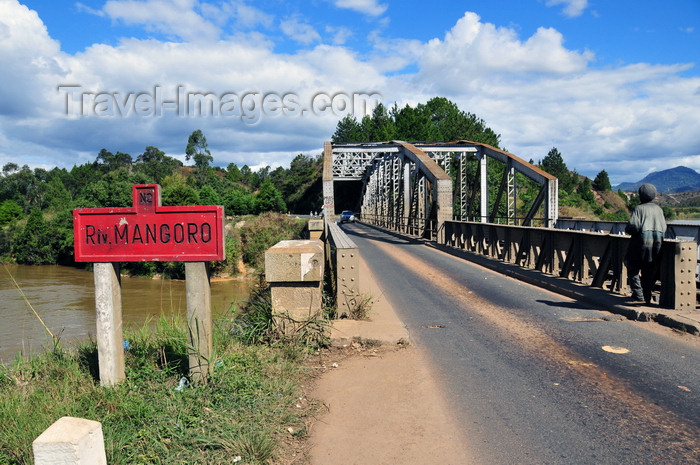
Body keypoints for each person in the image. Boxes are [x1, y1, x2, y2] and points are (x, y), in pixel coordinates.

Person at [625, 183, 667, 303]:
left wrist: (628, 230)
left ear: (641, 196)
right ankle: (646, 297)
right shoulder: (659, 210)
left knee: (632, 268)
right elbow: (664, 227)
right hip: (657, 245)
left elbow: (633, 226)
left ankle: (638, 295)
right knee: (649, 271)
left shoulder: (639, 209)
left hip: (640, 244)